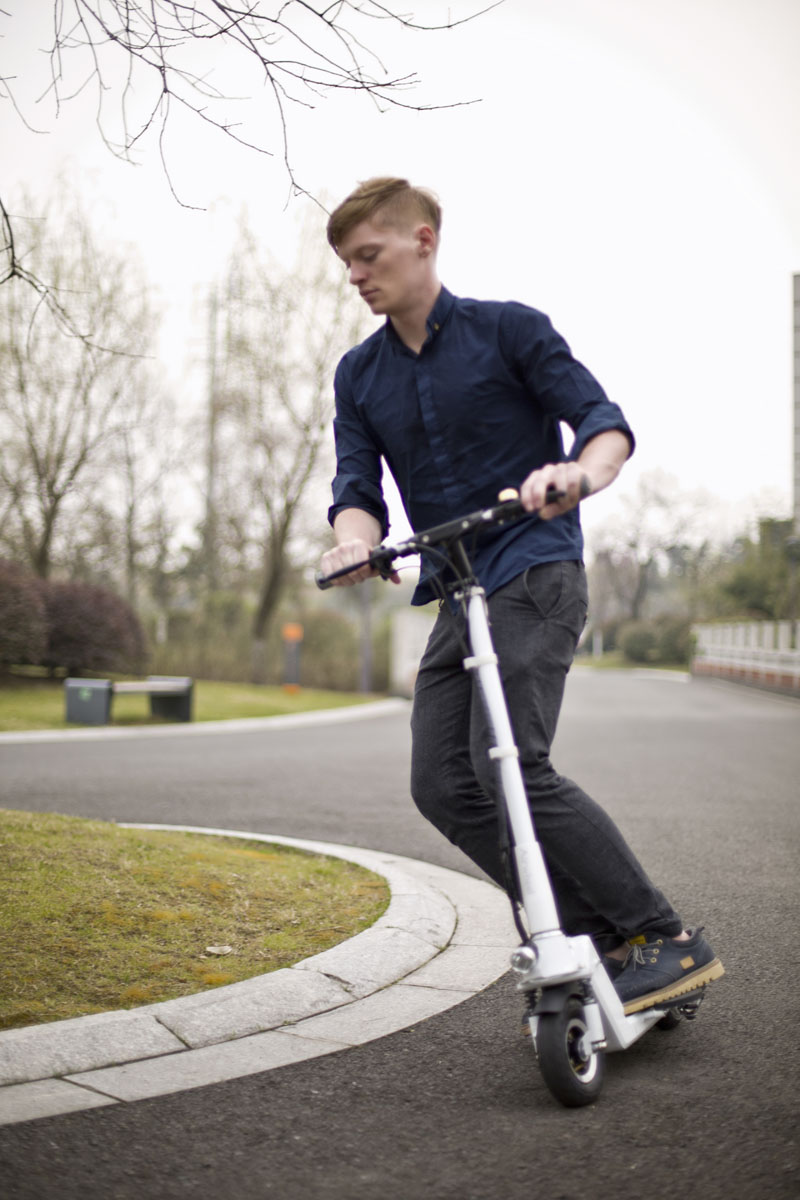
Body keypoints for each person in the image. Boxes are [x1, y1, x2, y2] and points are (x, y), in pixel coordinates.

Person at [319, 176, 723, 1012]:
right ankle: (595, 938)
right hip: (458, 585)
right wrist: (352, 539)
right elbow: (356, 485)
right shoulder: (359, 376)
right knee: (442, 784)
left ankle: (666, 938)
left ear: (423, 240)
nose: (356, 276)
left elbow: (602, 422)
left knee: (512, 767)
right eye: (346, 264)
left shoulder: (510, 330)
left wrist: (580, 472)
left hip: (534, 568)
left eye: (369, 256)